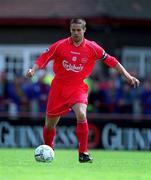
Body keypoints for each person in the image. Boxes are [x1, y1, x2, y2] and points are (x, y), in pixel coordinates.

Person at [26, 18, 140, 163]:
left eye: (79, 30)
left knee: (81, 113)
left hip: (78, 87)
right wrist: (33, 70)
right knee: (50, 125)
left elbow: (112, 61)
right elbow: (44, 58)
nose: (76, 33)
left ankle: (83, 153)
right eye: (73, 30)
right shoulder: (60, 45)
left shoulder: (93, 48)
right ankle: (48, 149)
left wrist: (128, 76)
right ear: (70, 30)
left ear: (84, 30)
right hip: (59, 88)